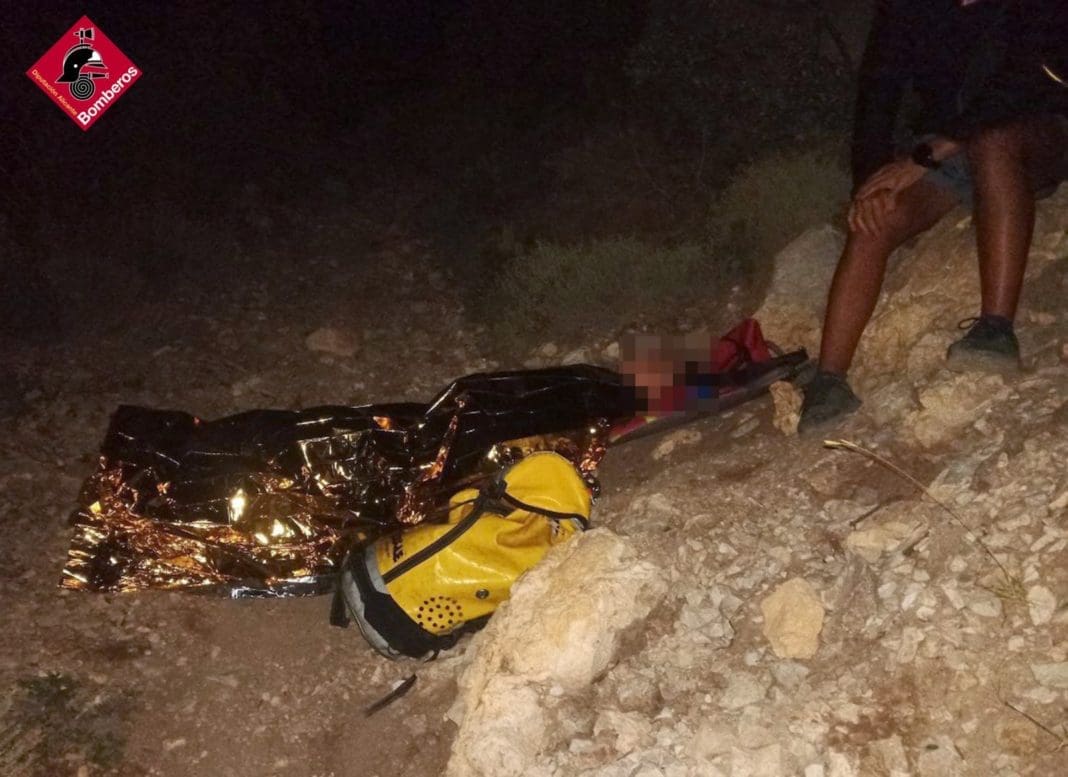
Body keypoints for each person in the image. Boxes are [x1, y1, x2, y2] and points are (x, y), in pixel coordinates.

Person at [799, 0, 1068, 434]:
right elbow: (876, 98)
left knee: (992, 142)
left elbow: (1027, 81)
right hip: (944, 147)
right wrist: (870, 183)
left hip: (1032, 128)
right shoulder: (906, 9)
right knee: (879, 212)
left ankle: (995, 329)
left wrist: (931, 152)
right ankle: (828, 381)